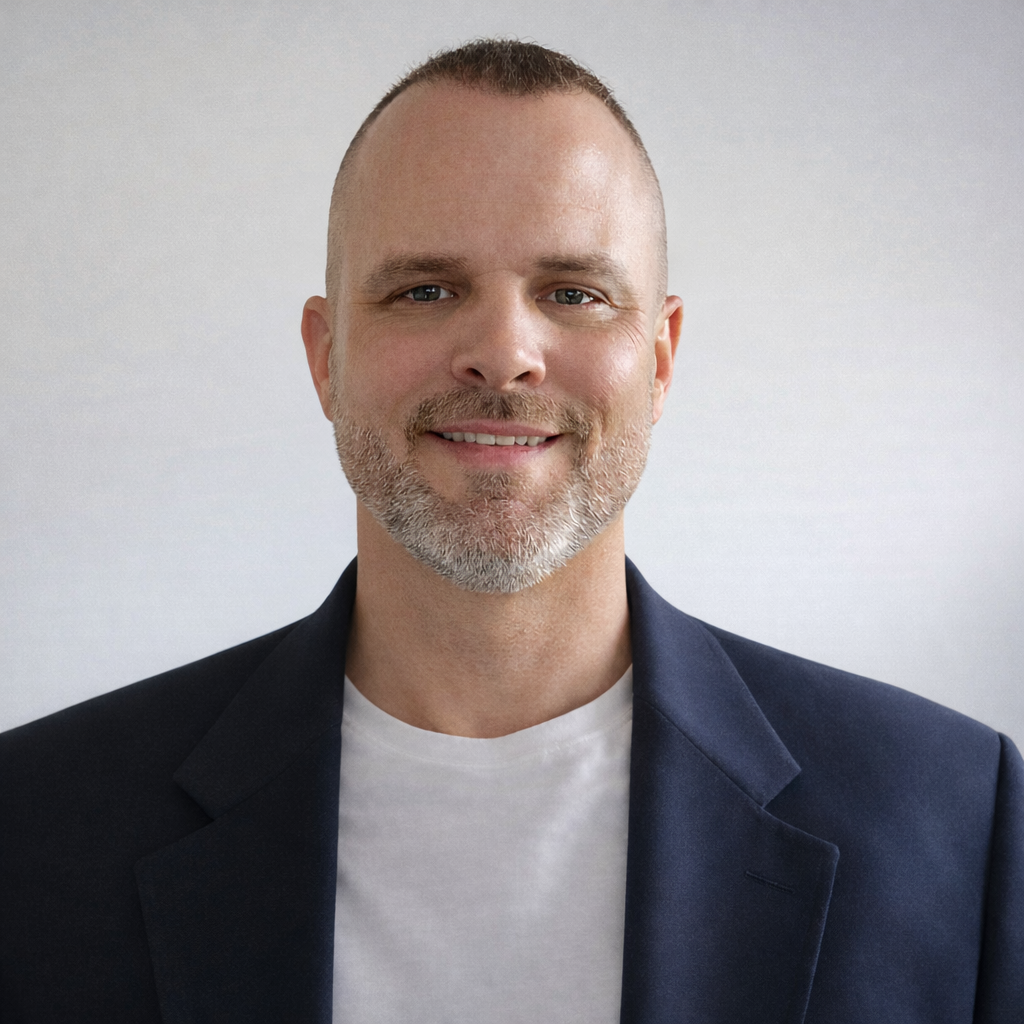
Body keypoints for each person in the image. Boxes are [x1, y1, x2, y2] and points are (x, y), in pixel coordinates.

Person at [0, 38, 1021, 1024]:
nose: (502, 353)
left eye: (572, 293)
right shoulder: (36, 827)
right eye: (425, 290)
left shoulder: (951, 820)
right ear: (326, 358)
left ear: (660, 359)